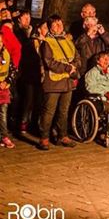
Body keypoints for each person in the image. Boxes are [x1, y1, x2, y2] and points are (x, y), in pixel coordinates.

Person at [37, 15, 80, 150]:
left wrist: (74, 66)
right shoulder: (47, 42)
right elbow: (49, 62)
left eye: (60, 24)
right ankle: (44, 138)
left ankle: (62, 135)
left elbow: (77, 57)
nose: (59, 26)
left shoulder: (67, 40)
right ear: (50, 27)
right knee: (49, 111)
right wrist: (68, 67)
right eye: (55, 24)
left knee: (64, 111)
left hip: (67, 82)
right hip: (53, 82)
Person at [18, 20, 48, 135]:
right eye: (44, 27)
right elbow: (27, 59)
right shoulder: (32, 42)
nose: (47, 30)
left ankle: (35, 124)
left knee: (39, 101)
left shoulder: (48, 42)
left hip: (42, 77)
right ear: (39, 29)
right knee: (29, 100)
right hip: (30, 75)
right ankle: (23, 122)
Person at [0, 33, 18, 149]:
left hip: (3, 88)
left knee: (3, 112)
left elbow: (13, 70)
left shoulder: (6, 54)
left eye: (1, 42)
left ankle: (4, 136)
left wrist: (7, 81)